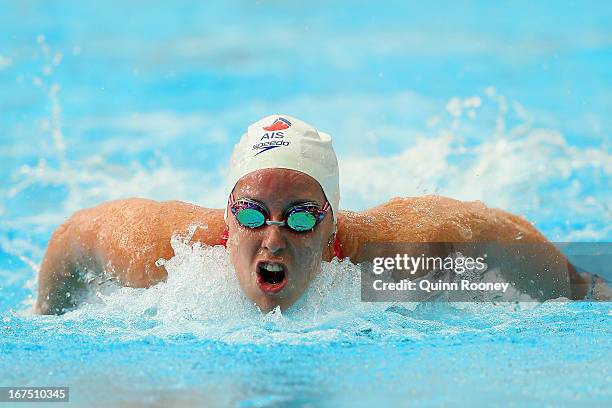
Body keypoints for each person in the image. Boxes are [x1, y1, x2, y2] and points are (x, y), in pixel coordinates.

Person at [35, 115, 605, 315]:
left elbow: (494, 234)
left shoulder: (391, 255)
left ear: (333, 226)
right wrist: (47, 318)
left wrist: (581, 287)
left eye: (302, 218)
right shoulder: (161, 251)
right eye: (253, 216)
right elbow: (71, 239)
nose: (274, 239)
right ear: (226, 220)